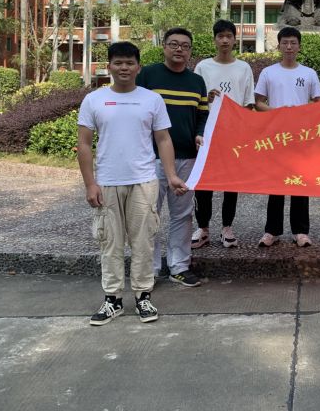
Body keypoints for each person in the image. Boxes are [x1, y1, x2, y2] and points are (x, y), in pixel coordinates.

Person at [77, 41, 188, 326]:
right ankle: (112, 300)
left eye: (129, 63)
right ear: (109, 67)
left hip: (144, 181)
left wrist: (171, 175)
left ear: (139, 67)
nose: (124, 68)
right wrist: (90, 184)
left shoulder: (152, 100)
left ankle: (143, 296)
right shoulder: (94, 100)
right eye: (118, 63)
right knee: (110, 243)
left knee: (143, 243)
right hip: (107, 183)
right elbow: (84, 144)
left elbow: (163, 139)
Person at [136, 27, 208, 288]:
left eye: (185, 46)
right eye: (174, 44)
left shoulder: (196, 82)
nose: (179, 49)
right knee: (148, 214)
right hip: (151, 158)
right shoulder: (148, 75)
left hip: (187, 158)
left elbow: (202, 114)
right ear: (164, 47)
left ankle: (179, 266)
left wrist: (200, 134)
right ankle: (150, 268)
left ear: (190, 51)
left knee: (183, 214)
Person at [255, 27, 320, 247]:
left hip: (302, 137)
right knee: (276, 183)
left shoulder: (309, 73)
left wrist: (304, 115)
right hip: (276, 136)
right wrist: (278, 113)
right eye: (285, 42)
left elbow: (319, 103)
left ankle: (300, 231)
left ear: (299, 46)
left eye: (293, 43)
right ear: (279, 45)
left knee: (300, 183)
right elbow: (258, 102)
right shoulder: (268, 72)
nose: (289, 47)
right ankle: (272, 231)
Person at [192, 19, 255, 248]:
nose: (225, 40)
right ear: (214, 40)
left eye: (229, 36)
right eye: (220, 36)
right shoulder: (203, 67)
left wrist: (244, 130)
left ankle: (227, 227)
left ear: (235, 40)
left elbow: (248, 103)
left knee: (231, 182)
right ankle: (203, 228)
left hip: (233, 133)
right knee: (204, 182)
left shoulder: (243, 68)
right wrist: (206, 98)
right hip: (208, 132)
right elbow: (196, 100)